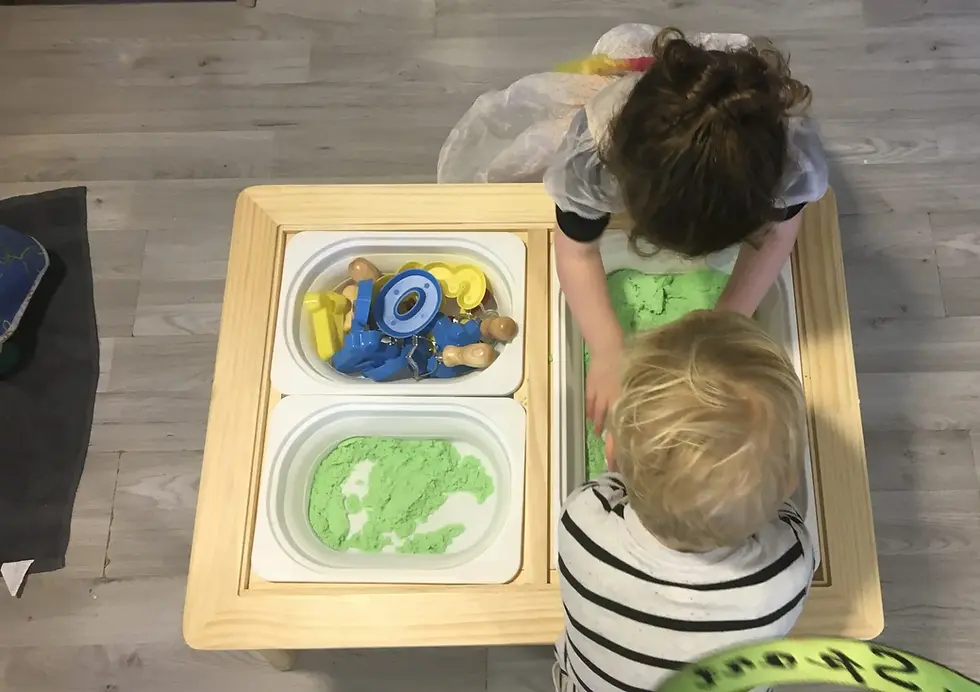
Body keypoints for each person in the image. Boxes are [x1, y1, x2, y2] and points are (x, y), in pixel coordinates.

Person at [438, 24, 828, 431]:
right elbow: (576, 249)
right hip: (630, 113)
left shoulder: (787, 160)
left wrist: (728, 318)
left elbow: (779, 233)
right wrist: (608, 349)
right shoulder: (596, 155)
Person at [553, 310, 818, 692]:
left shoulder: (580, 526)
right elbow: (788, 518)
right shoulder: (786, 572)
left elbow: (604, 486)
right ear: (789, 484)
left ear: (612, 451)